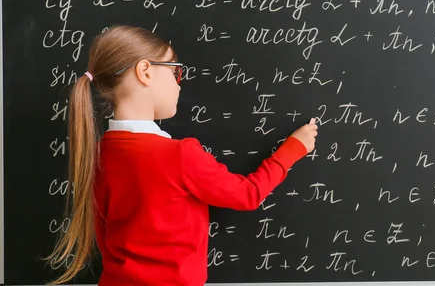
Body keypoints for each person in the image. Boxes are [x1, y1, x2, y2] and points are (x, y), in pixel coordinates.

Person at [45, 25, 319, 285]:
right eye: (175, 72)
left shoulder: (98, 154)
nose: (179, 84)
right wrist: (293, 149)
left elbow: (104, 235)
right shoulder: (180, 155)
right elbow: (247, 194)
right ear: (145, 72)